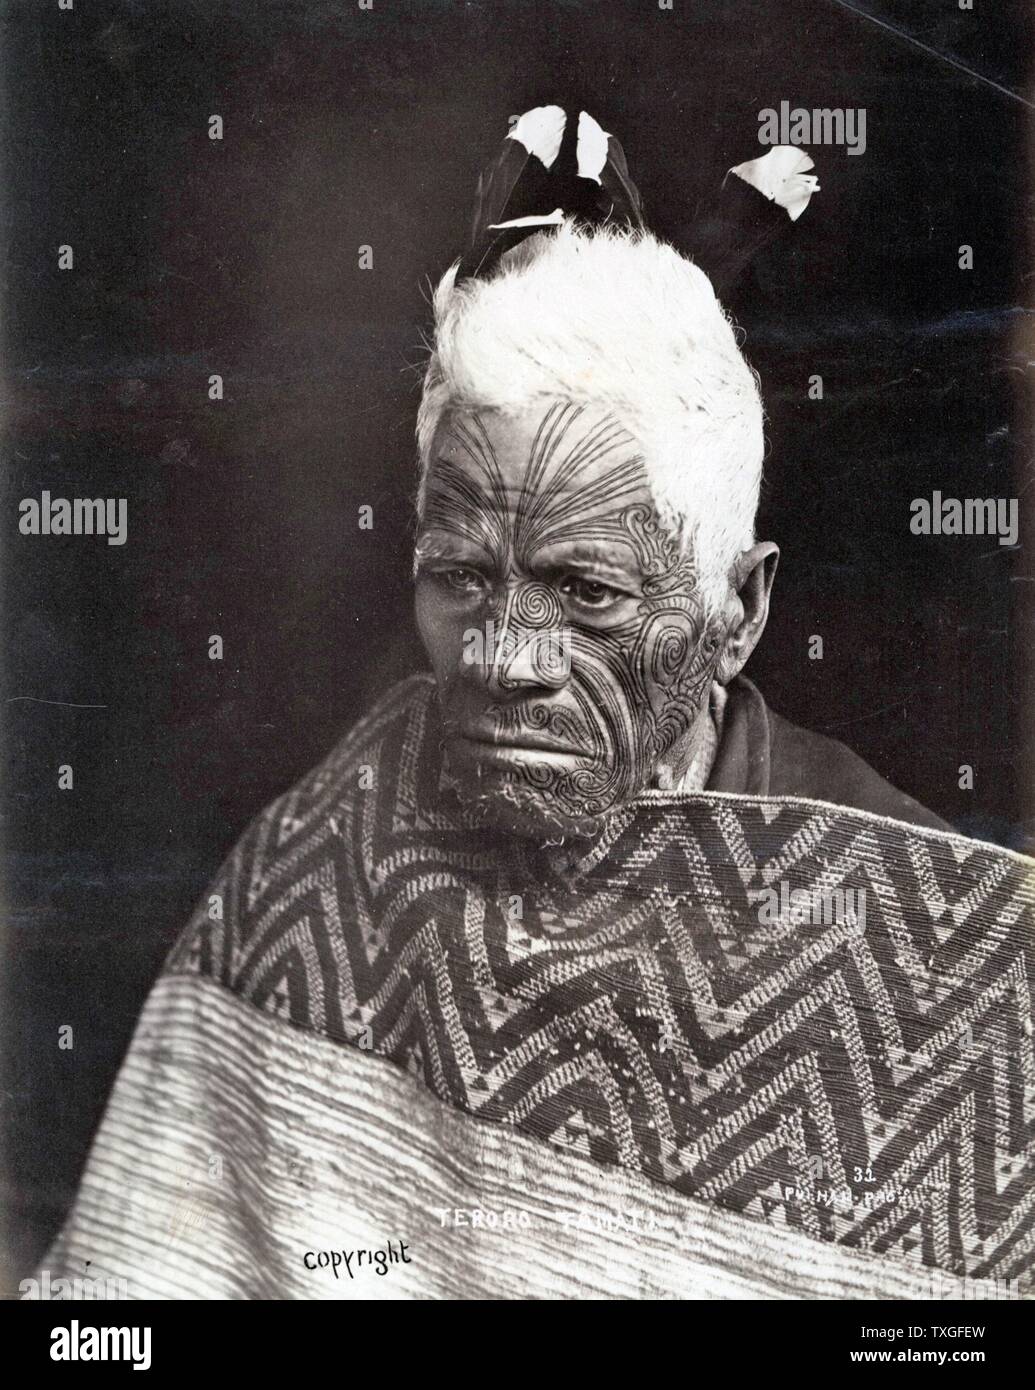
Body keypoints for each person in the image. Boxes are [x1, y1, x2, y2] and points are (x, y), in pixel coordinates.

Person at [39, 108, 1031, 1300]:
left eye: (587, 589)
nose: (507, 657)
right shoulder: (342, 837)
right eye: (461, 576)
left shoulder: (931, 954)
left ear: (743, 611)